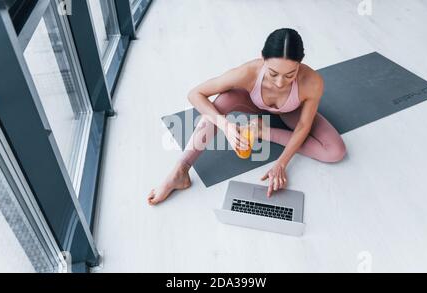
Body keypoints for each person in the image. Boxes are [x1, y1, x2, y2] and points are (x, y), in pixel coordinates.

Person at [148, 28, 347, 205]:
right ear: (263, 58)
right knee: (221, 102)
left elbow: (304, 125)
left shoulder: (312, 82)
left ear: (300, 64)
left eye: (289, 75)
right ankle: (180, 171)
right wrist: (224, 124)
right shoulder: (247, 72)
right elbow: (195, 94)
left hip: (291, 113)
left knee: (335, 152)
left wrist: (281, 163)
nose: (280, 83)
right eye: (273, 73)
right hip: (253, 103)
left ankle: (262, 130)